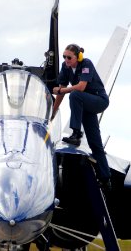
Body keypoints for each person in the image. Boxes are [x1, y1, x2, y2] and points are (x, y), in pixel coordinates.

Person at [52, 43, 111, 189]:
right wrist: (52, 112)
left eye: (69, 57)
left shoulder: (86, 64)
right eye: (64, 57)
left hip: (98, 100)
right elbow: (60, 92)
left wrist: (64, 90)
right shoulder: (65, 67)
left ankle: (76, 133)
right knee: (95, 143)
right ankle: (105, 178)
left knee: (75, 94)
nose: (66, 60)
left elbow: (81, 86)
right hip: (85, 105)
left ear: (77, 57)